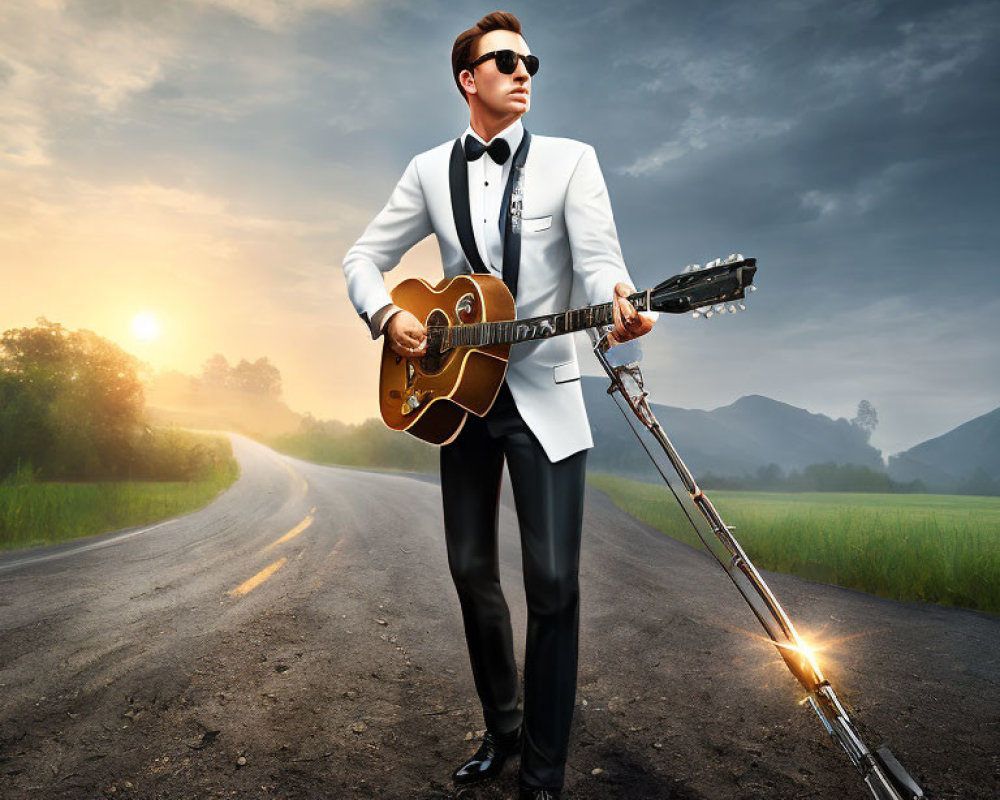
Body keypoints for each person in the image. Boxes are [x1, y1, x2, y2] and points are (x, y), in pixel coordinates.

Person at [342, 11, 654, 799]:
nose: (523, 72)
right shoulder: (426, 172)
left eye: (530, 62)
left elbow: (601, 263)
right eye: (505, 61)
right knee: (471, 572)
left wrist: (620, 304)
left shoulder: (572, 162)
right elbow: (364, 257)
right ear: (466, 79)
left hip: (545, 393)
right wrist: (391, 315)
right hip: (458, 401)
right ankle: (504, 729)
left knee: (553, 587)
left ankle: (543, 775)